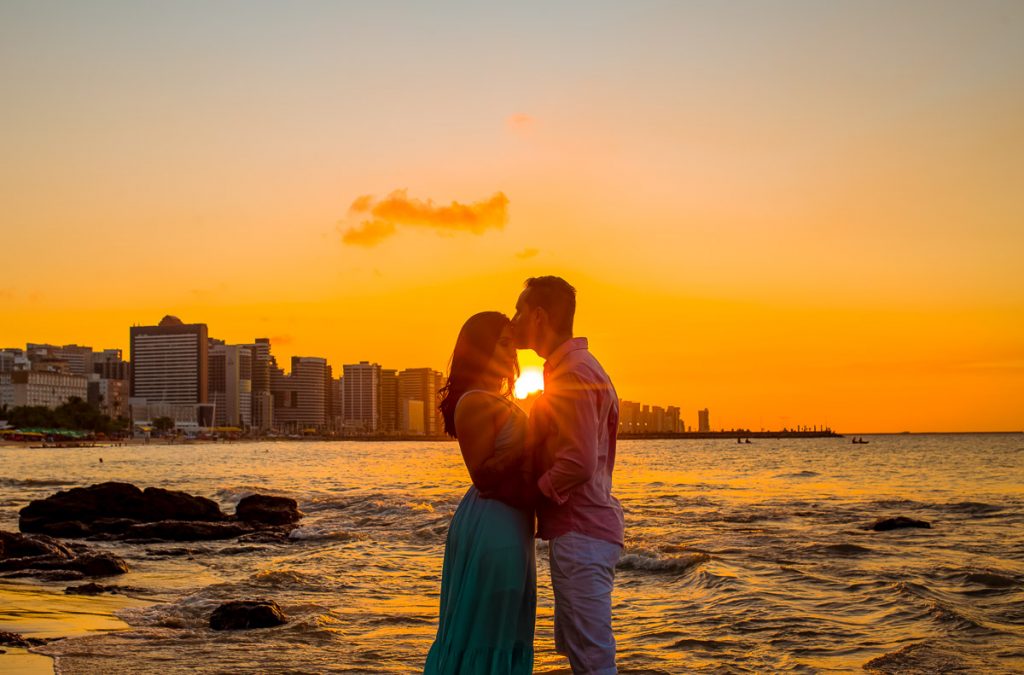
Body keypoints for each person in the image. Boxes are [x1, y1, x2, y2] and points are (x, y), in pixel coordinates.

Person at [512, 276, 624, 675]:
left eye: (519, 310)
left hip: (581, 532)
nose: (514, 319)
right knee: (585, 654)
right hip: (585, 529)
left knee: (592, 660)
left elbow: (578, 461)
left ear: (539, 316)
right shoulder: (575, 368)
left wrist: (532, 493)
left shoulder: (572, 374)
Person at [425, 311, 536, 675]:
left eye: (511, 344)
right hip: (493, 527)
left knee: (507, 628)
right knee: (489, 629)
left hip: (512, 525)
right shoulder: (473, 401)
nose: (512, 352)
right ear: (479, 350)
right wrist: (533, 440)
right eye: (502, 343)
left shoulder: (496, 399)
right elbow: (483, 476)